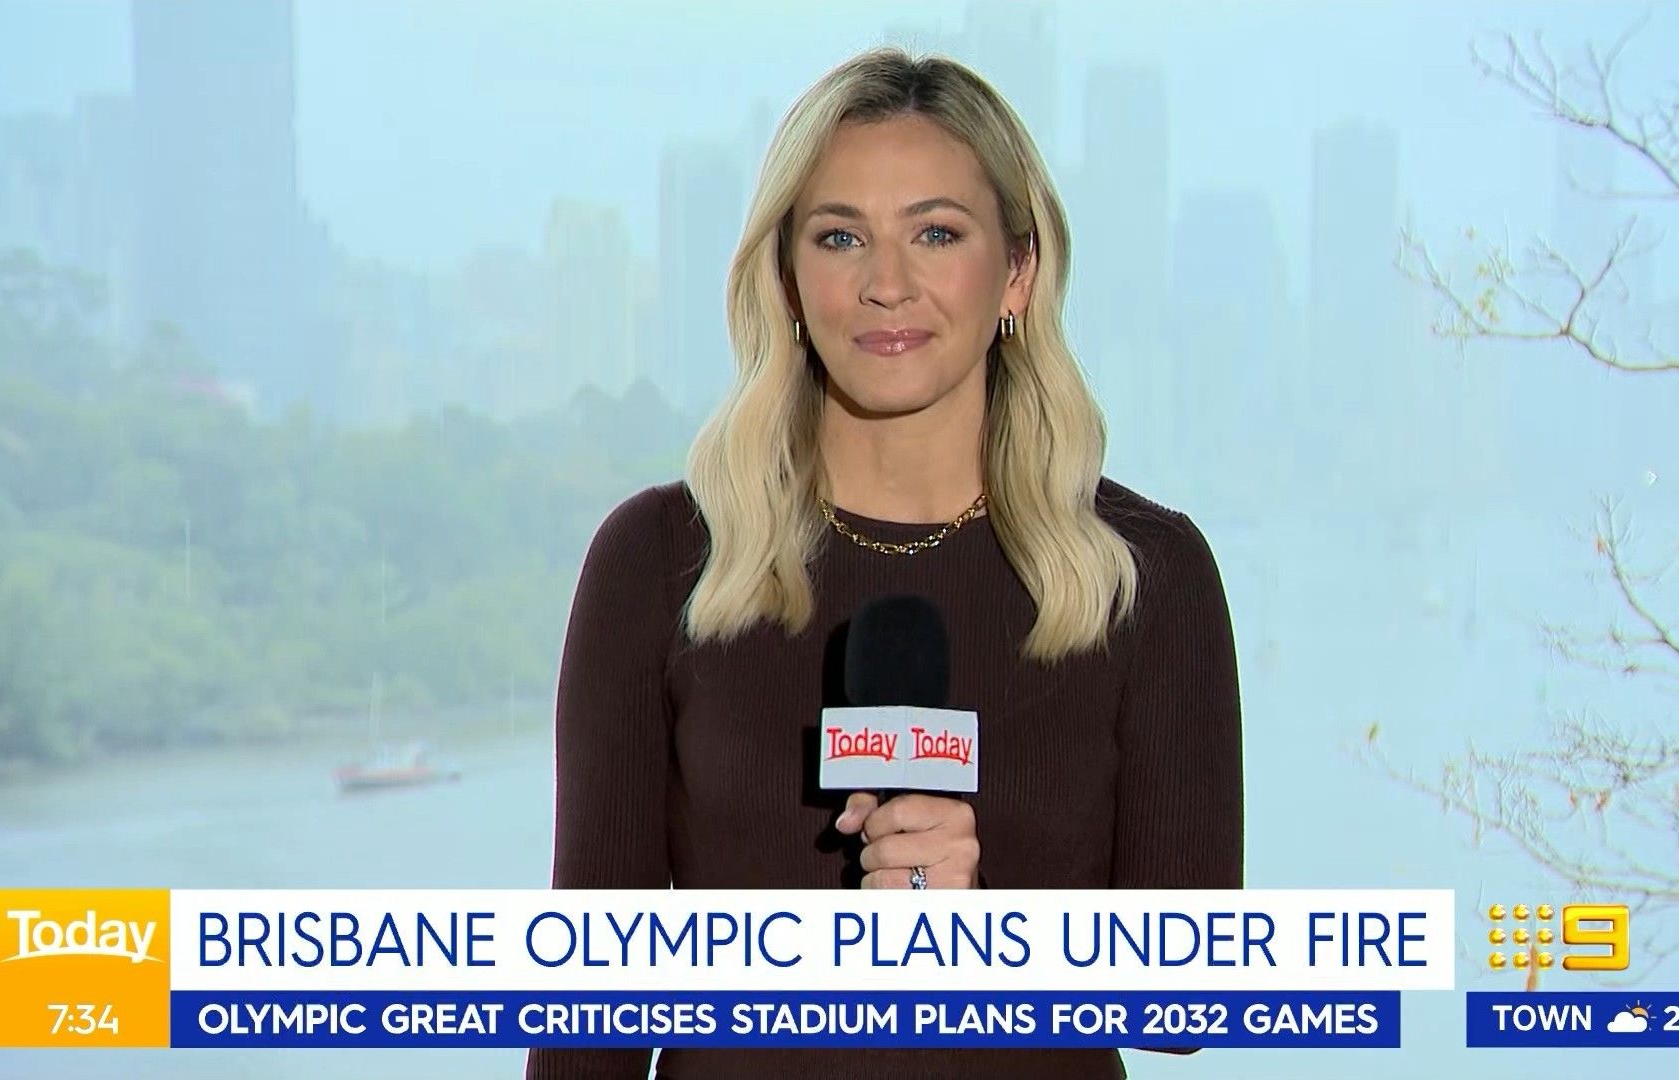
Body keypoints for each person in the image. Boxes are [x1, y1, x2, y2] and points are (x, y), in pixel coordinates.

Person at [527, 46, 1242, 1080]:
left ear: (1018, 270)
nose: (887, 284)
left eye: (936, 233)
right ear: (787, 276)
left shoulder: (1147, 576)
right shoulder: (658, 564)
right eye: (840, 237)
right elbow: (588, 1020)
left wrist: (988, 934)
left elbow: (1188, 1001)